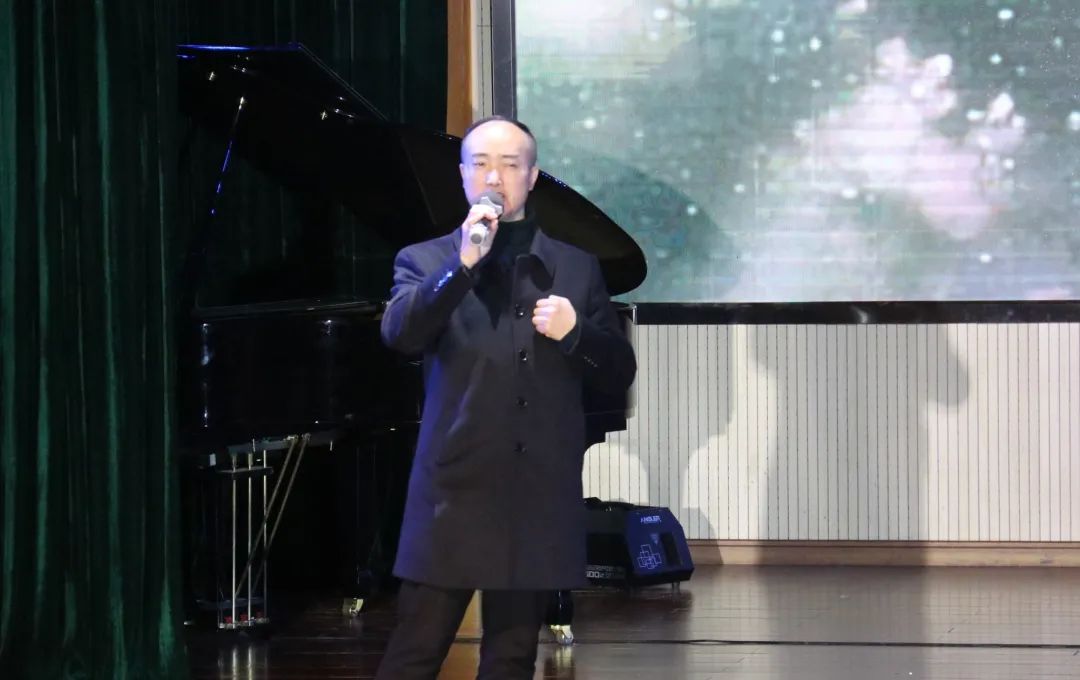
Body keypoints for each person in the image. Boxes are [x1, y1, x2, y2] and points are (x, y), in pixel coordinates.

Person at [375, 116, 637, 679]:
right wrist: (462, 266)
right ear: (462, 175)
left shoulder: (576, 267)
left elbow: (618, 371)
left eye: (510, 165)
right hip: (454, 489)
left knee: (513, 658)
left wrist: (576, 332)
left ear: (532, 176)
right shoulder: (425, 260)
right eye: (481, 164)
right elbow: (401, 334)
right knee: (415, 651)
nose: (494, 177)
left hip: (535, 491)